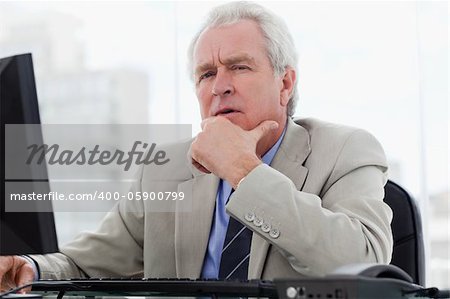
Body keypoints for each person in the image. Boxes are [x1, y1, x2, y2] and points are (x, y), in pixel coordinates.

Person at [0, 1, 393, 291]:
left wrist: (244, 170)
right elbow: (85, 265)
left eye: (239, 66)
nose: (219, 85)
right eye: (206, 73)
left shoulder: (347, 150)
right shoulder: (164, 169)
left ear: (285, 84)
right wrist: (31, 269)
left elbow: (363, 265)